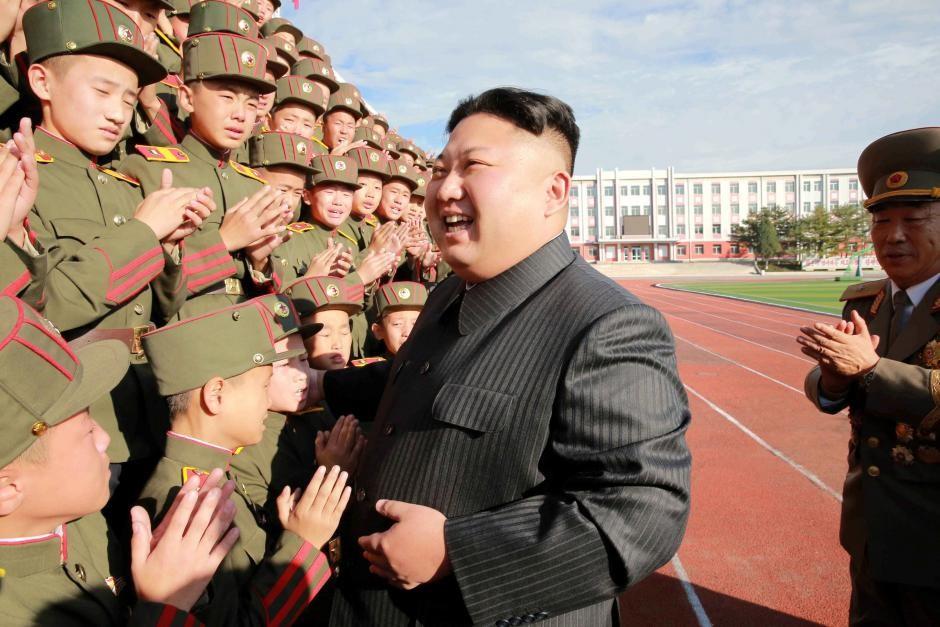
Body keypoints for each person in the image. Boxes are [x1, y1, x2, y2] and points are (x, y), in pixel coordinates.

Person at [312, 87, 692, 626]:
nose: (445, 189)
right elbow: (415, 378)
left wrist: (458, 553)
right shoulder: (450, 292)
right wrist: (319, 387)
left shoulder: (606, 325)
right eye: (441, 169)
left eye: (475, 166)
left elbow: (643, 510)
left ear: (553, 191)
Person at [0, 294, 239, 626]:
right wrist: (166, 606)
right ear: (7, 489)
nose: (105, 438)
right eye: (86, 432)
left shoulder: (77, 518)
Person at [138, 294, 351, 625]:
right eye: (264, 384)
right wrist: (303, 542)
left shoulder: (210, 477)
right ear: (216, 395)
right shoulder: (189, 502)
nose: (268, 398)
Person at [799, 126, 940, 625]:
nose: (893, 235)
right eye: (881, 221)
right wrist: (833, 381)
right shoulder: (869, 303)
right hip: (873, 527)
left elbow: (875, 374)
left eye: (913, 219)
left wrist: (872, 370)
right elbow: (829, 390)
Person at [121, 31, 287, 320]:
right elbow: (137, 290)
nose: (241, 115)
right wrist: (223, 242)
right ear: (186, 98)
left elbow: (273, 298)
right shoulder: (148, 171)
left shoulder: (256, 187)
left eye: (251, 103)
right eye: (227, 97)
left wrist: (260, 264)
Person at [369, 281, 427, 357]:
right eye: (397, 324)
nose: (408, 333)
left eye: (416, 323)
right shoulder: (373, 368)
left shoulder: (440, 365)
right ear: (378, 331)